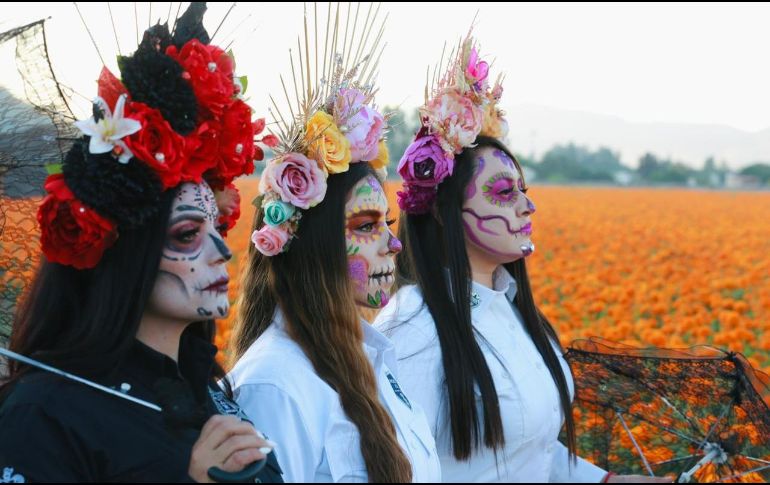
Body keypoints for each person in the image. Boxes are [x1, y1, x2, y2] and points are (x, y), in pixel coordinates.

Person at [0, 4, 281, 482]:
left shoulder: (206, 388)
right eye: (189, 234)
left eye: (217, 226)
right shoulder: (43, 414)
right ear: (125, 252)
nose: (223, 251)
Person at [375, 34, 669, 483]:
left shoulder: (512, 308)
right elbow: (397, 467)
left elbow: (530, 451)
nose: (527, 207)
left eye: (523, 192)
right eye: (504, 193)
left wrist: (607, 481)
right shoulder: (412, 329)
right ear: (441, 210)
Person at [225, 6, 441, 482]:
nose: (393, 244)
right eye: (366, 226)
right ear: (314, 243)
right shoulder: (276, 384)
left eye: (386, 222)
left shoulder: (370, 357)